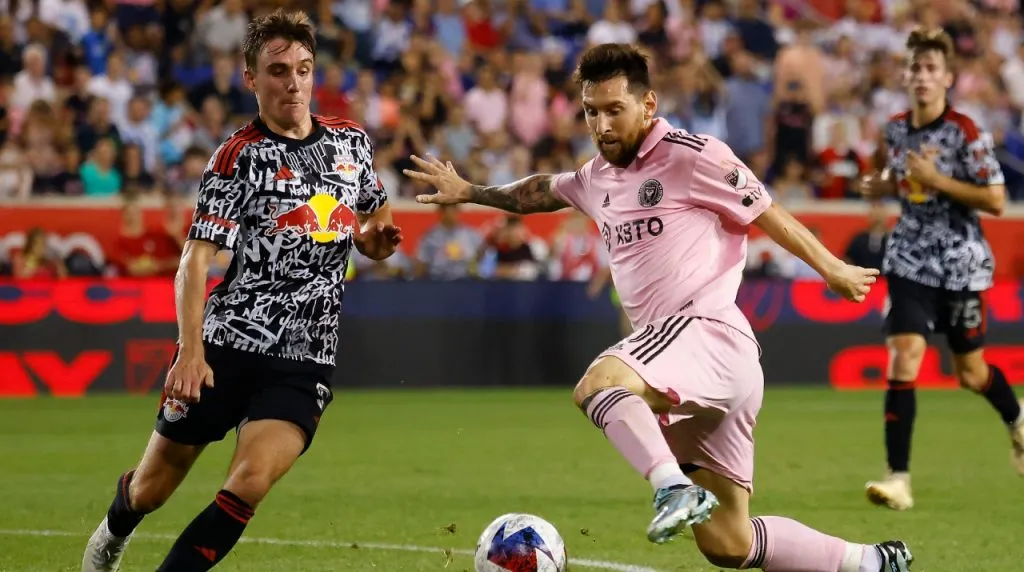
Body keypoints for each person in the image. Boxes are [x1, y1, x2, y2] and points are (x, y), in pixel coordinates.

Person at [406, 43, 913, 572]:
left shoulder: (693, 155)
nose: (602, 125)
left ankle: (671, 487)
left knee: (599, 385)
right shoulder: (596, 177)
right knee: (729, 543)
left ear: (648, 104)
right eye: (591, 112)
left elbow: (766, 210)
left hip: (705, 333)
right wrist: (471, 191)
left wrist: (831, 267)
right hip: (693, 364)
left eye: (614, 110)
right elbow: (537, 192)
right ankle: (870, 562)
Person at [81, 10, 401, 571]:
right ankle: (114, 529)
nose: (294, 82)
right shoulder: (237, 157)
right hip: (225, 346)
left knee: (249, 482)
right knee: (152, 489)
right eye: (278, 71)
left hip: (305, 355)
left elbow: (375, 216)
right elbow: (194, 260)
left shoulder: (352, 143)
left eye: (303, 69)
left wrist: (375, 243)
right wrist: (191, 351)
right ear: (251, 78)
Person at [855, 27, 1024, 511]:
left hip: (960, 263)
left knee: (971, 372)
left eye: (931, 68)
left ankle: (1017, 421)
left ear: (948, 78)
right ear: (906, 77)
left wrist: (938, 180)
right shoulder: (894, 128)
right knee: (904, 355)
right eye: (915, 68)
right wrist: (882, 184)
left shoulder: (966, 132)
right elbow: (893, 173)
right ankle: (898, 478)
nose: (922, 76)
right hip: (908, 257)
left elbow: (995, 199)